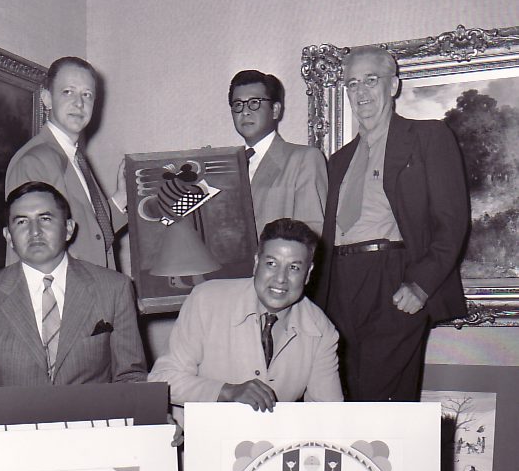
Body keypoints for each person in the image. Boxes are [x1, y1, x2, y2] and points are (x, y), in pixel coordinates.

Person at [313, 46, 468, 401]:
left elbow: (452, 222)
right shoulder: (338, 161)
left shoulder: (428, 138)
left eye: (371, 80)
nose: (361, 92)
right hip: (339, 285)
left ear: (393, 86)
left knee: (380, 404)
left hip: (392, 281)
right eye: (352, 84)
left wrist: (421, 286)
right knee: (339, 399)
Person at [0, 182, 147, 388]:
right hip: (16, 427)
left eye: (45, 219)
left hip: (92, 425)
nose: (34, 231)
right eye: (21, 221)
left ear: (69, 228)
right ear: (9, 236)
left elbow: (130, 377)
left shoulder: (114, 288)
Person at [148, 218, 343, 416]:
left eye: (294, 267)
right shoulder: (206, 300)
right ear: (256, 262)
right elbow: (162, 380)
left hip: (272, 443)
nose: (280, 278)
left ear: (308, 274)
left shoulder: (322, 330)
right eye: (271, 264)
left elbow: (328, 414)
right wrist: (226, 391)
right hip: (201, 437)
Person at [6, 57, 127, 268]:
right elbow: (36, 250)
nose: (79, 103)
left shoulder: (74, 158)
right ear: (47, 98)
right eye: (68, 92)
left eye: (87, 95)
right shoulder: (35, 161)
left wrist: (121, 198)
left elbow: (91, 236)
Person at [229, 70, 327, 237]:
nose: (245, 111)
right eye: (238, 104)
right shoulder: (227, 167)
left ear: (275, 110)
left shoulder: (304, 159)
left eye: (254, 102)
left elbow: (313, 232)